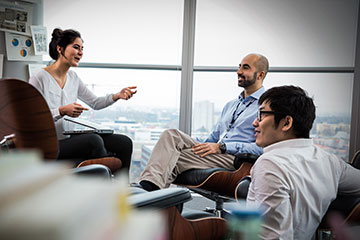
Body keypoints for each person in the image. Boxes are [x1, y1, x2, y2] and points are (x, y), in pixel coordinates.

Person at [138, 53, 269, 191]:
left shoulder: (265, 106)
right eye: (239, 67)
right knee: (171, 135)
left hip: (235, 159)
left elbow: (262, 148)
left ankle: (147, 194)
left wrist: (223, 147)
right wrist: (193, 145)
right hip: (216, 151)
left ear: (260, 75)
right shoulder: (231, 104)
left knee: (170, 159)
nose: (239, 72)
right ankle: (157, 199)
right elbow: (213, 137)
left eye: (245, 68)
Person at [247, 85, 360, 239]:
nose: (255, 122)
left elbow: (274, 237)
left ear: (286, 123)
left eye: (261, 114)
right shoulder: (329, 160)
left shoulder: (270, 164)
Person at [29, 28, 137, 170]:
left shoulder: (73, 78)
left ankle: (121, 187)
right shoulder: (39, 78)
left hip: (67, 139)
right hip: (47, 145)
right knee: (93, 141)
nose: (80, 52)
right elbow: (31, 120)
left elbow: (95, 103)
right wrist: (61, 111)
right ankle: (106, 179)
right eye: (76, 47)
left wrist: (117, 96)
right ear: (60, 49)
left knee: (124, 142)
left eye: (82, 48)